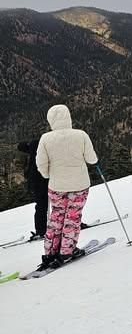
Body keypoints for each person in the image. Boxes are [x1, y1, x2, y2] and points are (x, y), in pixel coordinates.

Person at [35, 105, 99, 270]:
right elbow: (92, 159)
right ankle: (67, 251)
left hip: (56, 185)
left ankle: (50, 252)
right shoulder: (81, 135)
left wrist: (48, 175)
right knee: (73, 217)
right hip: (79, 184)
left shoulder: (45, 139)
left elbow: (41, 163)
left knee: (56, 218)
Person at [17, 138, 49, 240]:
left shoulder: (35, 145)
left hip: (36, 180)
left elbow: (21, 146)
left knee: (41, 205)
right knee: (62, 203)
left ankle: (41, 230)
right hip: (43, 178)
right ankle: (70, 225)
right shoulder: (43, 144)